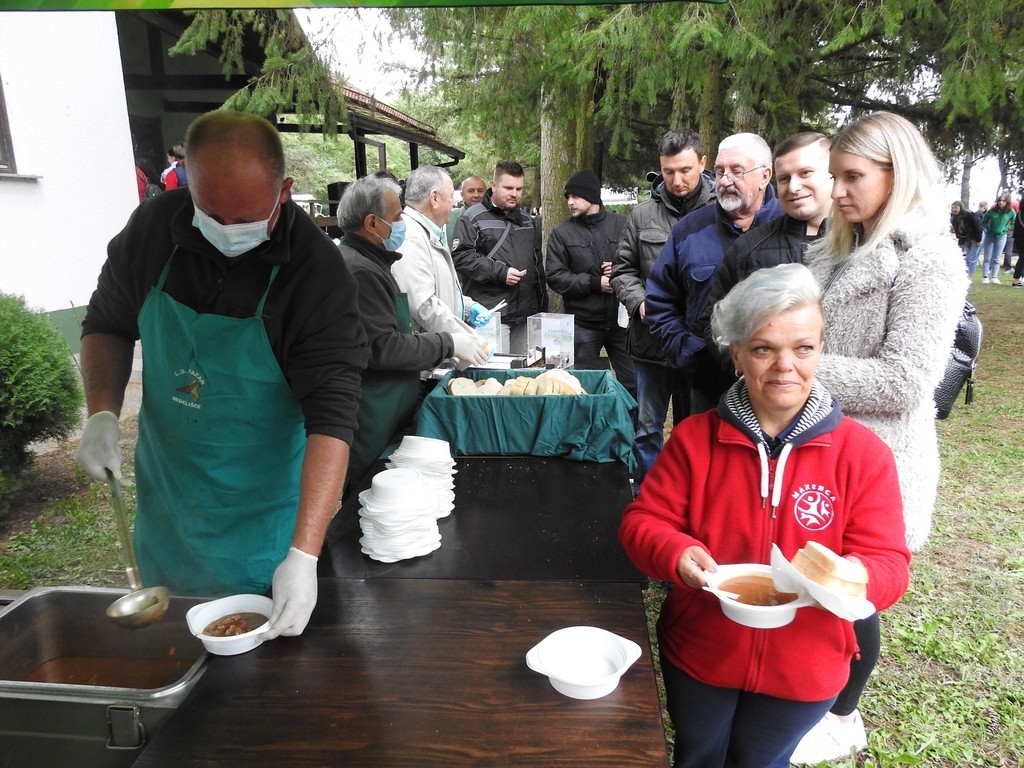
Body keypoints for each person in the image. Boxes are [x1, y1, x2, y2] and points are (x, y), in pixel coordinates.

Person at [74, 110, 369, 639]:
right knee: (169, 642)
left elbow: (333, 418)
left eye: (246, 218)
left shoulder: (317, 275)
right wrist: (101, 414)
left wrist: (304, 553)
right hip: (170, 500)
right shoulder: (152, 229)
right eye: (212, 214)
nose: (226, 233)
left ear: (284, 192)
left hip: (263, 517)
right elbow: (107, 324)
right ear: (189, 184)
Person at [619, 263, 911, 768]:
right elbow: (642, 522)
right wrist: (675, 551)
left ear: (821, 348)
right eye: (763, 349)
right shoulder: (694, 440)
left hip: (806, 666)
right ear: (735, 353)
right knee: (697, 757)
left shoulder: (862, 455)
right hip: (701, 654)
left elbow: (889, 562)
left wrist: (852, 576)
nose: (785, 366)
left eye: (804, 348)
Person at [794, 110, 967, 763]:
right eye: (834, 176)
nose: (835, 190)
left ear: (898, 174)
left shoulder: (930, 259)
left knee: (853, 592)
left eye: (852, 177)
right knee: (815, 581)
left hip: (879, 461)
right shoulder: (835, 249)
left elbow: (906, 381)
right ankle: (810, 696)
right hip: (818, 446)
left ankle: (844, 716)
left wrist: (797, 367)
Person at [337, 175, 488, 489]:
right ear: (372, 223)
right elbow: (383, 347)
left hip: (388, 406)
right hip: (372, 412)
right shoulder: (360, 270)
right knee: (370, 494)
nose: (402, 223)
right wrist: (448, 342)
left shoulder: (371, 262)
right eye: (396, 217)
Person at [645, 131, 780, 421]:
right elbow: (660, 300)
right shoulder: (689, 230)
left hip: (779, 388)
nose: (725, 181)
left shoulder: (791, 227)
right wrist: (691, 354)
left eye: (736, 171)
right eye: (719, 172)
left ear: (765, 176)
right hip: (709, 389)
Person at [610, 128, 715, 489]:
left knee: (695, 430)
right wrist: (638, 301)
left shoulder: (720, 213)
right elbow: (623, 270)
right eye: (669, 171)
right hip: (651, 343)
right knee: (647, 428)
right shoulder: (641, 215)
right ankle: (647, 495)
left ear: (702, 162)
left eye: (685, 170)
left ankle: (689, 498)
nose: (677, 180)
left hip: (700, 345)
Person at [700, 131, 834, 391]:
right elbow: (714, 322)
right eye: (785, 178)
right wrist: (743, 367)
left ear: (832, 174)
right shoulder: (749, 249)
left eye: (805, 173)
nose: (793, 187)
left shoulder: (865, 248)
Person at [545, 169, 635, 398]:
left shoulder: (622, 224)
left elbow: (639, 262)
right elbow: (555, 275)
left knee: (633, 385)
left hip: (621, 323)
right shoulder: (561, 233)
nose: (570, 202)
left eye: (575, 196)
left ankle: (629, 422)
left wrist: (618, 269)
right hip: (583, 323)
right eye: (567, 197)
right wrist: (595, 283)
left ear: (592, 195)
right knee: (582, 386)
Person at [452, 161, 546, 354]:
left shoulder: (528, 221)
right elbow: (461, 256)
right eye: (508, 188)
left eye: (519, 189)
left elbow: (537, 266)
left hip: (525, 314)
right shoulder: (472, 218)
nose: (515, 194)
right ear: (494, 186)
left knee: (524, 369)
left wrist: (541, 307)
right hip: (491, 313)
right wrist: (501, 272)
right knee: (496, 367)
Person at [393, 166, 492, 348]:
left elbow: (440, 288)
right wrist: (468, 340)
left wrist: (466, 307)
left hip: (439, 348)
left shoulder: (431, 231)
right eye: (451, 196)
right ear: (435, 198)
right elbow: (424, 305)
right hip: (427, 352)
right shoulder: (412, 238)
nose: (454, 203)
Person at [980, 193, 1014, 284]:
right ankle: (985, 277)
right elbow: (983, 221)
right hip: (989, 236)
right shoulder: (991, 211)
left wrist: (1005, 229)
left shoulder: (1011, 212)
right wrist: (989, 228)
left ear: (1007, 202)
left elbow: (1013, 222)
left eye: (1003, 201)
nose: (1001, 202)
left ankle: (994, 277)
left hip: (1001, 236)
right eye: (999, 200)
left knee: (997, 258)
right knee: (987, 257)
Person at [446, 174, 486, 242]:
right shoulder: (449, 217)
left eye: (480, 191)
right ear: (462, 195)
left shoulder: (494, 217)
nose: (476, 195)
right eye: (471, 191)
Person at [950, 200, 984, 275]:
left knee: (972, 258)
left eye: (956, 207)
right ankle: (966, 274)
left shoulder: (969, 214)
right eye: (953, 208)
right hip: (967, 238)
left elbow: (978, 227)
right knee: (968, 257)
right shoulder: (954, 218)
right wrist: (960, 240)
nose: (954, 209)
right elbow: (957, 231)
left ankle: (969, 275)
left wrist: (978, 240)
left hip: (976, 236)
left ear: (960, 207)